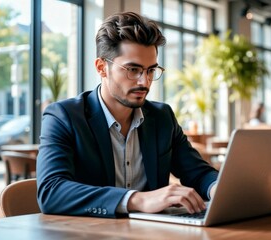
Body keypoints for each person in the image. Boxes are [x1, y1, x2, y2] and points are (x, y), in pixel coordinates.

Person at [36, 12, 219, 218]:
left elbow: (198, 173)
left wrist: (220, 191)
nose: (144, 81)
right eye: (133, 69)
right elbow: (51, 192)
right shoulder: (63, 116)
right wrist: (138, 199)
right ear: (101, 68)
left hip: (151, 233)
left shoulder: (162, 117)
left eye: (151, 70)